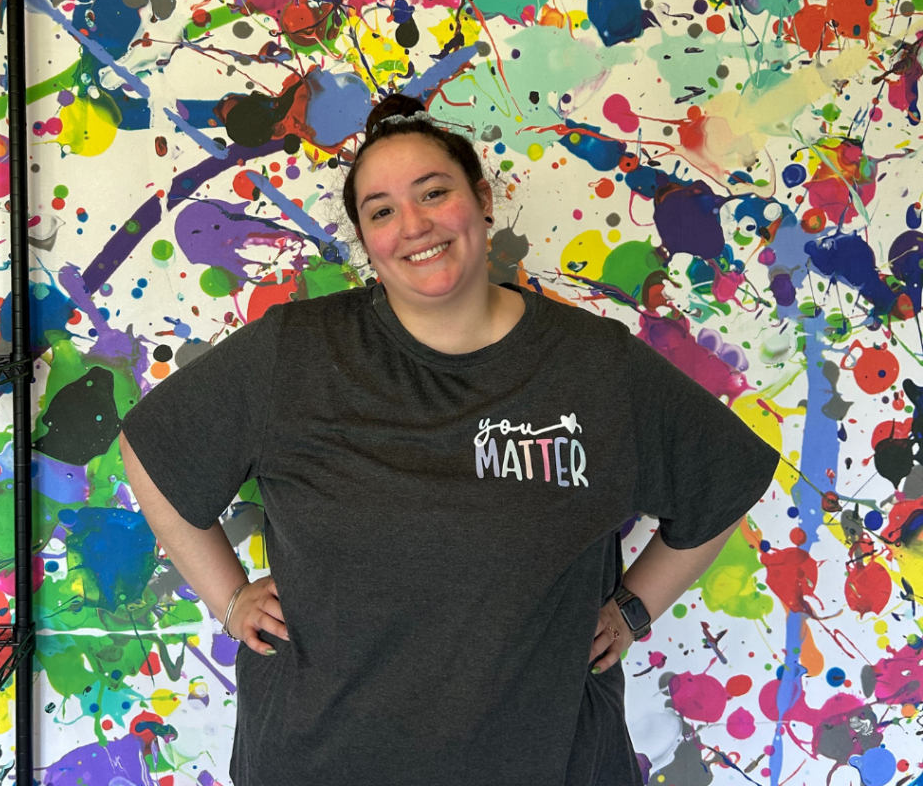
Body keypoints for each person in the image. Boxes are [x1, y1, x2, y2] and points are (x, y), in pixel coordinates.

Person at [119, 93, 780, 786]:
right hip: (323, 761)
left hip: (547, 762)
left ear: (483, 200)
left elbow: (723, 478)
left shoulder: (594, 364)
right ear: (366, 239)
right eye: (381, 210)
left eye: (434, 193)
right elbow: (153, 451)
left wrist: (635, 607)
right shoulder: (297, 352)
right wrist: (229, 600)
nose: (414, 225)